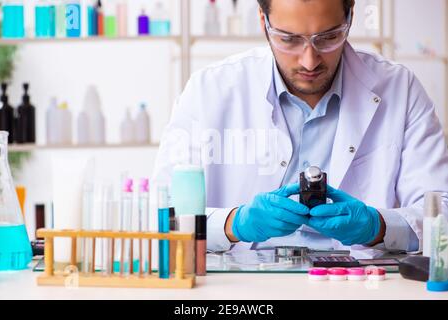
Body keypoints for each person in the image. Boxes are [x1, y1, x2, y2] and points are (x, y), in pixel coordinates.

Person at [153, 0, 448, 256]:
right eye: (289, 39)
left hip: (359, 285)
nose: (309, 60)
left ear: (350, 17)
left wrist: (378, 227)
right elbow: (163, 215)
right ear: (263, 21)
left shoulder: (400, 89)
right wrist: (234, 224)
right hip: (241, 288)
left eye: (329, 37)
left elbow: (442, 214)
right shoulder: (208, 91)